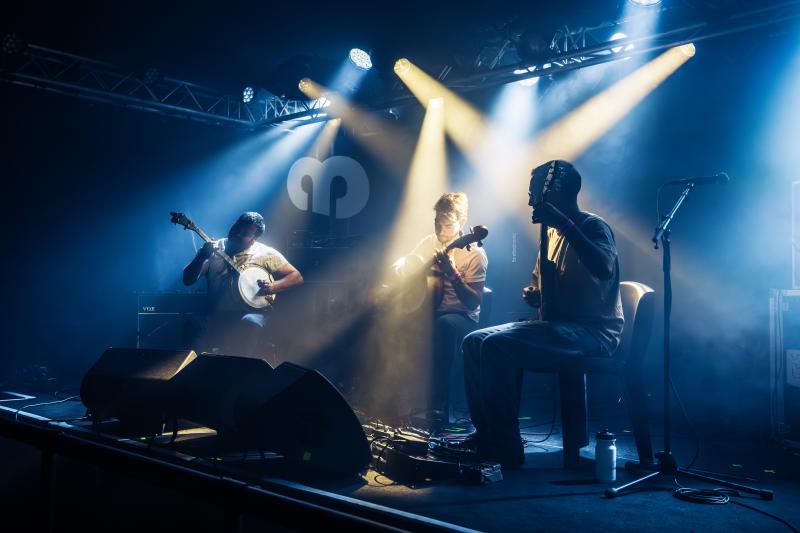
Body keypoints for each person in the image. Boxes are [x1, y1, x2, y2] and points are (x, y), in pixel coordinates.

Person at [462, 160, 623, 468]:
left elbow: (604, 267)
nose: (529, 202)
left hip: (592, 332)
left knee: (495, 346)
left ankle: (505, 447)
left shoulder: (593, 226)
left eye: (533, 193)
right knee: (473, 341)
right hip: (558, 327)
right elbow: (539, 282)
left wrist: (565, 224)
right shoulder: (549, 235)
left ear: (555, 192)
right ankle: (487, 435)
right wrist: (534, 293)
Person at [397, 193, 488, 425]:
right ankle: (391, 399)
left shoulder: (475, 254)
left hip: (461, 315)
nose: (441, 230)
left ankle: (437, 410)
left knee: (443, 325)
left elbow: (473, 302)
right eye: (437, 223)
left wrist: (452, 273)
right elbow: (404, 263)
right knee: (392, 320)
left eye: (447, 225)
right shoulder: (430, 242)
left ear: (461, 221)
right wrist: (404, 266)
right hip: (430, 308)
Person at [182, 211, 303, 357]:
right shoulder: (213, 248)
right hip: (216, 313)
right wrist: (201, 256)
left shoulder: (265, 253)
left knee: (248, 323)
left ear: (254, 239)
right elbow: (187, 280)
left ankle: (239, 366)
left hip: (252, 312)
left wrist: (272, 287)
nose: (237, 234)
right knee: (192, 325)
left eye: (245, 233)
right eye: (236, 228)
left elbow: (296, 277)